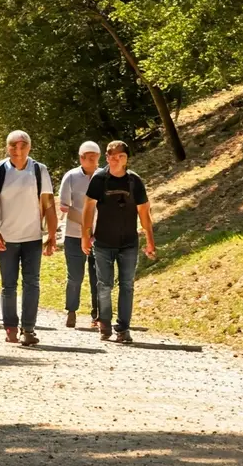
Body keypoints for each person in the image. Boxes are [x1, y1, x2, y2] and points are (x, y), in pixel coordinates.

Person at [0, 130, 58, 346]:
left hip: (32, 237)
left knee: (32, 283)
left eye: (23, 145)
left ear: (30, 147)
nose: (18, 150)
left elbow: (48, 204)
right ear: (7, 148)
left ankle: (28, 328)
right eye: (13, 146)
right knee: (9, 285)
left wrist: (52, 234)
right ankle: (10, 327)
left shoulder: (39, 170)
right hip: (6, 238)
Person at [82, 140, 155, 342]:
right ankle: (104, 324)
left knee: (127, 285)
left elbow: (144, 213)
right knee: (104, 285)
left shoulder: (134, 181)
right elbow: (88, 208)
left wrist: (150, 240)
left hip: (129, 243)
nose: (115, 159)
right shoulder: (99, 179)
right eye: (112, 156)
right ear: (107, 157)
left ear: (126, 159)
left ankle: (123, 329)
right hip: (103, 242)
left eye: (120, 156)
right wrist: (85, 236)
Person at [60, 141, 102, 329]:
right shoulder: (71, 177)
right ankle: (71, 311)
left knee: (99, 277)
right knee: (75, 276)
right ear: (81, 158)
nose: (92, 160)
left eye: (95, 157)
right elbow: (65, 206)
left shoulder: (105, 176)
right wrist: (87, 229)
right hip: (74, 234)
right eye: (88, 157)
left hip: (101, 235)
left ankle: (98, 315)